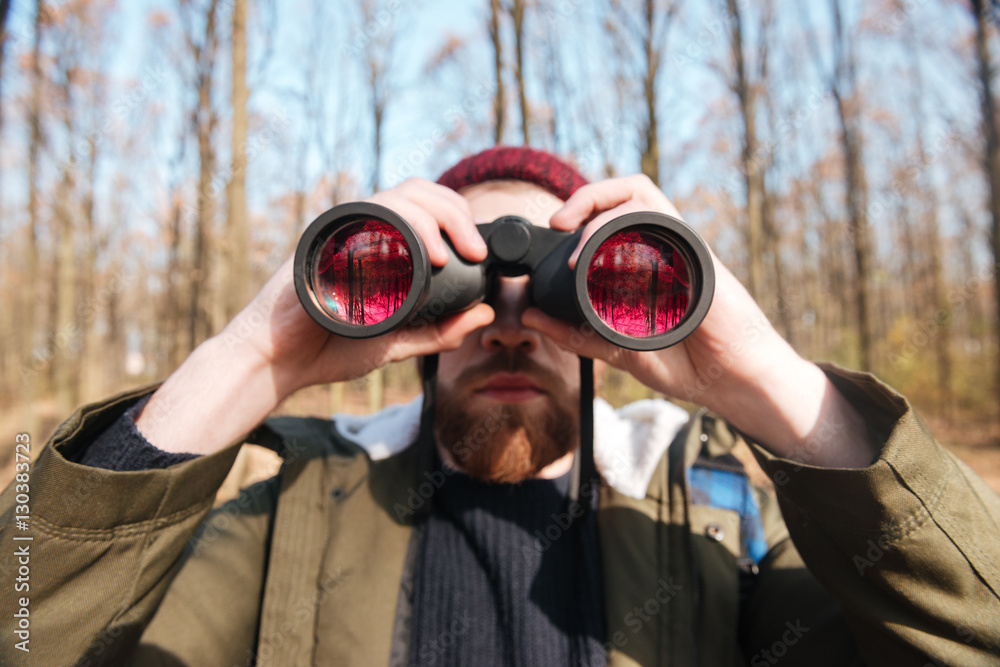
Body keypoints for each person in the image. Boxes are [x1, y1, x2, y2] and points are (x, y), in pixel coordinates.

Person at [2, 146, 998, 666]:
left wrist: (767, 382)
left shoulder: (724, 518)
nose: (510, 322)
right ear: (401, 298)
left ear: (617, 311)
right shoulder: (282, 514)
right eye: (461, 277)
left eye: (561, 285)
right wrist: (250, 355)